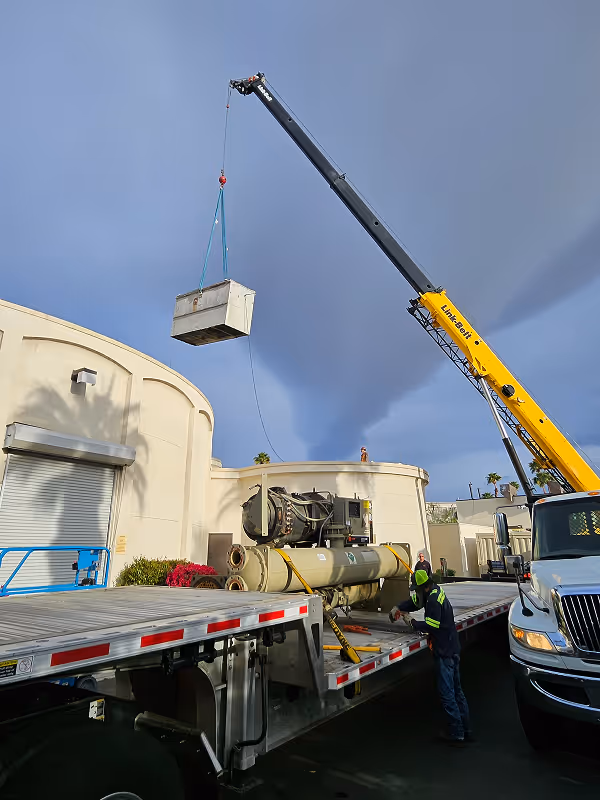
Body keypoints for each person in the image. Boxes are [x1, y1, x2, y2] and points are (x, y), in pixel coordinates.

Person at [389, 569, 471, 745]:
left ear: (423, 588)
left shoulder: (433, 600)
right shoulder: (435, 592)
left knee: (447, 693)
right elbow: (415, 602)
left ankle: (456, 733)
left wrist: (412, 622)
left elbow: (431, 626)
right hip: (452, 647)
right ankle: (466, 728)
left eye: (416, 589)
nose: (415, 593)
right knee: (458, 692)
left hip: (444, 652)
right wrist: (400, 607)